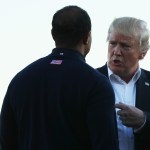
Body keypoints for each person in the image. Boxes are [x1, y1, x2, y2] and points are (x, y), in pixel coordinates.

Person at [0, 5, 119, 150]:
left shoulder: (20, 79)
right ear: (87, 37)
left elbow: (6, 141)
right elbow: (105, 144)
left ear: (53, 34)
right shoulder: (97, 84)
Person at [97, 17, 150, 150]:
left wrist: (144, 121)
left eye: (125, 46)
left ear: (142, 53)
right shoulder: (89, 81)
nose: (116, 51)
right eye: (112, 43)